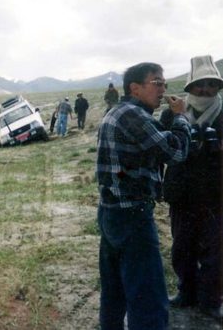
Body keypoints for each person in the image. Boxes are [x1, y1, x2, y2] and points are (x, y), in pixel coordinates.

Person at [96, 62, 190, 330]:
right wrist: (181, 118)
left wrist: (168, 120)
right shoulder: (132, 116)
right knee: (148, 294)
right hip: (132, 216)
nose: (162, 89)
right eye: (156, 83)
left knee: (115, 290)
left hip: (112, 213)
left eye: (164, 84)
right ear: (135, 88)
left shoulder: (121, 112)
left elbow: (150, 143)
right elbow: (174, 152)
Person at [160, 55, 223, 320]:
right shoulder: (172, 113)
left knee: (216, 250)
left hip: (217, 193)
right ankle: (186, 292)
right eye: (200, 84)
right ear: (190, 87)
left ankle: (211, 299)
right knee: (182, 246)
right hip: (182, 192)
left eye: (211, 84)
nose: (206, 89)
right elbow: (160, 148)